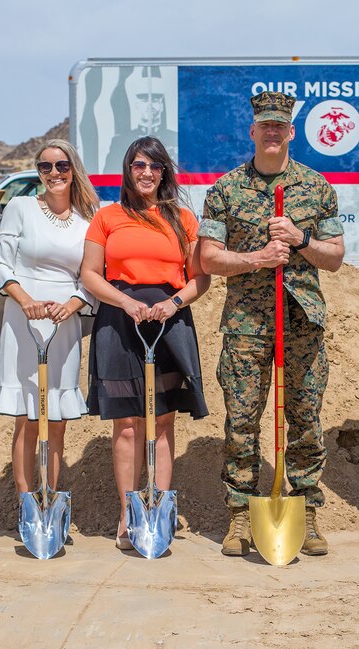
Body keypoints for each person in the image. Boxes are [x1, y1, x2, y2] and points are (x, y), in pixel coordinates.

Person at [199, 91, 345, 557]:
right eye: (266, 125)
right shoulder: (225, 189)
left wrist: (300, 239)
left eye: (281, 125)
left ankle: (305, 510)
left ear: (291, 132)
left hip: (301, 322)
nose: (273, 132)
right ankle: (240, 514)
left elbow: (336, 256)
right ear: (253, 131)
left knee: (305, 420)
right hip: (246, 325)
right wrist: (258, 258)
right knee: (242, 422)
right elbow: (209, 258)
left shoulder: (316, 187)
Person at [81, 136, 210, 551]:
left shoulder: (183, 219)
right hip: (120, 322)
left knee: (164, 419)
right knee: (127, 423)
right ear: (128, 170)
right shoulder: (107, 217)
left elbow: (200, 277)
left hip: (169, 321)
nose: (147, 173)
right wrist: (127, 303)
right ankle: (127, 513)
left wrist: (173, 303)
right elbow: (90, 274)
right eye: (139, 165)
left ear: (164, 172)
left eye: (155, 166)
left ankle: (156, 507)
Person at [0, 140, 100, 502]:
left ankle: (52, 496)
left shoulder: (89, 218)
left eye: (61, 166)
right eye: (44, 167)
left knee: (58, 417)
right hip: (24, 318)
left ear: (73, 168)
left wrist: (74, 304)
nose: (53, 174)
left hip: (64, 322)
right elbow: (1, 264)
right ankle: (25, 499)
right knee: (28, 416)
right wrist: (26, 300)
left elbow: (92, 276)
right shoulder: (20, 208)